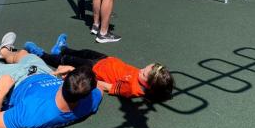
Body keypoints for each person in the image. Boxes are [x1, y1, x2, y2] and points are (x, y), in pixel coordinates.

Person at [0, 32, 103, 128]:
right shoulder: (90, 100)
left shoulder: (32, 114)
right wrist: (55, 74)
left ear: (65, 80)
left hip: (15, 82)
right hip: (44, 73)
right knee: (22, 53)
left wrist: (3, 89)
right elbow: (99, 89)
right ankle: (4, 51)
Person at [24, 34, 174, 102]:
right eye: (145, 68)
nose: (141, 69)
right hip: (105, 60)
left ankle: (41, 54)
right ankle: (62, 49)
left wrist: (93, 79)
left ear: (147, 84)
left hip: (95, 69)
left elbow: (109, 87)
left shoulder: (131, 89)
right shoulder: (146, 79)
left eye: (143, 72)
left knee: (68, 61)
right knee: (83, 51)